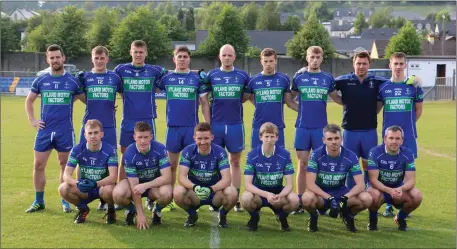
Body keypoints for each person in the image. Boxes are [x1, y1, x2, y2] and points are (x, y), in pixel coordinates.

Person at [25, 44, 85, 213]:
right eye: (52, 57)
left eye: (58, 57)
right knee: (38, 164)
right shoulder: (41, 80)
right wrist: (32, 120)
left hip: (65, 130)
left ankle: (64, 200)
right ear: (47, 59)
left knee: (64, 165)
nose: (55, 60)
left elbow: (86, 99)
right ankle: (39, 201)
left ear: (63, 58)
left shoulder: (72, 81)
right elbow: (29, 100)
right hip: (44, 130)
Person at [157, 46, 211, 211]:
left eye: (185, 57)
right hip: (172, 128)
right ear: (174, 59)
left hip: (191, 129)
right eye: (179, 56)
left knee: (192, 167)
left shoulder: (196, 80)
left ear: (189, 59)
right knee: (171, 166)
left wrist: (208, 125)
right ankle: (170, 198)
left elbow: (204, 103)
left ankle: (194, 197)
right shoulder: (167, 78)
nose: (182, 59)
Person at [290, 46, 342, 214]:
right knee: (303, 164)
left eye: (318, 57)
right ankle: (299, 201)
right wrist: (303, 110)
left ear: (322, 58)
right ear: (307, 57)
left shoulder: (327, 78)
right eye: (312, 56)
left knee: (321, 165)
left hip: (321, 129)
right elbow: (288, 99)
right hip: (303, 127)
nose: (315, 60)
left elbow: (338, 98)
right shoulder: (299, 77)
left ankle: (322, 202)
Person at [377, 52, 424, 217]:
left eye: (401, 63)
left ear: (405, 65)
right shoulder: (383, 87)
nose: (398, 67)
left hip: (408, 136)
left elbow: (418, 111)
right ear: (390, 65)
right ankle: (388, 204)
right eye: (395, 63)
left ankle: (404, 203)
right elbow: (376, 109)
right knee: (386, 169)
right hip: (388, 139)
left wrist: (407, 128)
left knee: (405, 171)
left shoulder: (414, 86)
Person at [301, 124, 372, 233]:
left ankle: (348, 215)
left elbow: (361, 185)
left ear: (342, 139)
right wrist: (329, 198)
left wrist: (345, 198)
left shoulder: (351, 156)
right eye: (330, 139)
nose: (334, 142)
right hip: (321, 194)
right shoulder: (316, 155)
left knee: (367, 199)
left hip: (340, 192)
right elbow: (310, 184)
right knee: (306, 199)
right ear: (324, 140)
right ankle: (313, 216)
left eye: (336, 138)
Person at [114, 40, 168, 184]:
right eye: (135, 52)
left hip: (147, 119)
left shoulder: (154, 70)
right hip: (128, 119)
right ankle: (121, 191)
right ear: (130, 52)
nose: (138, 55)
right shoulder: (120, 69)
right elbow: (114, 87)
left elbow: (173, 76)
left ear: (146, 53)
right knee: (125, 155)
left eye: (141, 52)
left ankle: (151, 192)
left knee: (151, 156)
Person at [206, 44, 251, 212]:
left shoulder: (242, 76)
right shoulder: (212, 75)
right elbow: (204, 98)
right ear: (219, 56)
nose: (226, 58)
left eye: (229, 55)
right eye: (224, 55)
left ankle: (235, 197)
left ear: (234, 57)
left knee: (235, 161)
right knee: (216, 162)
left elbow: (246, 96)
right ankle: (215, 198)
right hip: (216, 124)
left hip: (235, 124)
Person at [77, 45, 122, 211]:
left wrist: (111, 105)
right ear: (92, 59)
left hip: (108, 126)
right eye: (96, 58)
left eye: (102, 58)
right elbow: (81, 96)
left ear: (107, 59)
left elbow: (124, 94)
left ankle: (107, 199)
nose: (99, 61)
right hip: (88, 126)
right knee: (82, 160)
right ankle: (81, 193)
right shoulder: (86, 77)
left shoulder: (114, 78)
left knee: (110, 163)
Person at [173, 122, 237, 228]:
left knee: (232, 193)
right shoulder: (188, 151)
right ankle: (192, 214)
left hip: (215, 194)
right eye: (199, 139)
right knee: (177, 192)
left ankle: (223, 214)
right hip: (195, 193)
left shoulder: (220, 152)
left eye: (206, 138)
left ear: (212, 137)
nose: (203, 142)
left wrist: (211, 189)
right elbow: (181, 177)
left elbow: (227, 179)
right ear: (194, 138)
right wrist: (195, 187)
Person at [112, 121, 173, 229]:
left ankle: (157, 211)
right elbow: (134, 186)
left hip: (152, 186)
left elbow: (167, 177)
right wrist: (140, 214)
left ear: (151, 137)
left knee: (167, 193)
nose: (143, 141)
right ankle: (132, 210)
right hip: (134, 185)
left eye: (146, 137)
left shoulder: (160, 149)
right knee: (117, 194)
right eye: (140, 137)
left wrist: (145, 185)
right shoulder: (129, 153)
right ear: (134, 137)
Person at [241, 122, 299, 232]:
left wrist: (279, 196)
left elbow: (290, 184)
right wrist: (267, 195)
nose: (269, 139)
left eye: (272, 136)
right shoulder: (252, 155)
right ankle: (254, 217)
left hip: (277, 193)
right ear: (260, 137)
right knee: (246, 198)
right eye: (266, 136)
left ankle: (282, 217)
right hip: (259, 194)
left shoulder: (285, 155)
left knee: (294, 200)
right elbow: (247, 185)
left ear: (277, 137)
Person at [58, 120, 118, 224]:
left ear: (101, 134)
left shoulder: (110, 150)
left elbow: (113, 177)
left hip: (102, 187)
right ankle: (83, 209)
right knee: (63, 188)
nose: (93, 136)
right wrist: (78, 183)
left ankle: (111, 209)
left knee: (109, 189)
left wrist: (95, 184)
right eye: (90, 133)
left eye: (96, 132)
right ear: (85, 135)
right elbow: (66, 175)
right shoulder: (77, 150)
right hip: (84, 188)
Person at [367, 125, 422, 231]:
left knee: (417, 196)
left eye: (397, 138)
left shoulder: (408, 153)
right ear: (384, 139)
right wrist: (389, 190)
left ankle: (400, 218)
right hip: (379, 189)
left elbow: (411, 180)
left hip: (397, 188)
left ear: (402, 140)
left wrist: (400, 189)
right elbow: (373, 180)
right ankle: (372, 221)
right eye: (391, 138)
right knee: (372, 195)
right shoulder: (374, 152)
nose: (394, 141)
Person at [244, 48, 298, 149]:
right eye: (265, 61)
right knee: (257, 158)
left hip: (278, 126)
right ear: (261, 61)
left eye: (271, 61)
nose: (268, 64)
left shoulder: (284, 79)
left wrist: (306, 111)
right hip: (258, 126)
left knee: (279, 159)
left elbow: (289, 102)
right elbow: (244, 98)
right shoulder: (253, 81)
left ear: (275, 61)